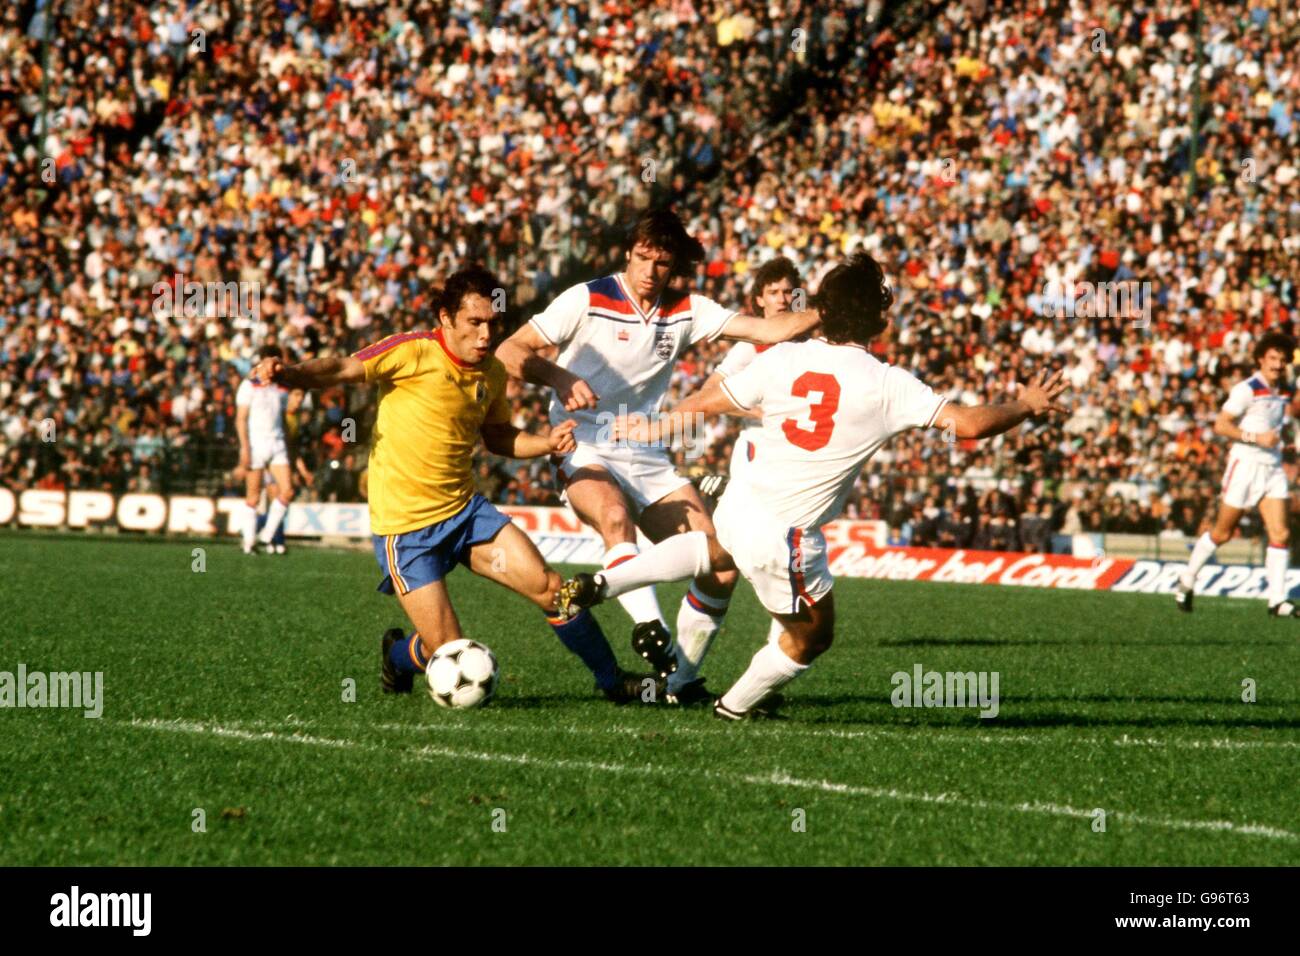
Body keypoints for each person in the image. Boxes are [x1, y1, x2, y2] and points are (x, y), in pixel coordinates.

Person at [558, 253, 1067, 720]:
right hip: (786, 535)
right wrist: (1025, 405)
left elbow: (713, 399)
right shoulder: (886, 382)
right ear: (876, 318)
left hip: (739, 504)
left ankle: (609, 584)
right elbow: (970, 424)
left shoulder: (779, 358)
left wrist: (656, 426)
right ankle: (734, 706)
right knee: (812, 637)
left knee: (716, 553)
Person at [252, 266, 652, 702]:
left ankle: (613, 682)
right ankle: (398, 656)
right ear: (446, 319)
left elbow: (498, 436)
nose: (485, 335)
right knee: (445, 650)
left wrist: (545, 443)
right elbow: (342, 368)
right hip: (406, 529)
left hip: (465, 514)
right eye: (474, 323)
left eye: (492, 324)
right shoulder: (414, 352)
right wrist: (290, 373)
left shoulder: (492, 372)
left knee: (552, 590)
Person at [496, 209, 820, 704]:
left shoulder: (688, 309)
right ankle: (653, 632)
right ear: (629, 252)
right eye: (643, 258)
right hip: (583, 439)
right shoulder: (586, 298)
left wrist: (833, 309)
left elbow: (768, 331)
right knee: (613, 516)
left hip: (645, 449)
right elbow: (509, 351)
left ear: (674, 267)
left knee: (720, 563)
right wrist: (558, 377)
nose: (650, 271)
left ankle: (679, 681)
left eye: (662, 263)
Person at [1176, 331, 1300, 616]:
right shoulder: (1247, 389)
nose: (1278, 365)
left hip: (1272, 466)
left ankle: (1277, 600)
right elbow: (1221, 425)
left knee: (1281, 532)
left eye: (1282, 360)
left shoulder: (1285, 390)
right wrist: (1256, 439)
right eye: (1272, 358)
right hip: (1244, 466)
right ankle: (1188, 579)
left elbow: (1275, 425)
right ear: (1260, 359)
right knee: (1222, 533)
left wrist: (1287, 444)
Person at [236, 345, 298, 554]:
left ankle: (268, 535)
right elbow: (240, 419)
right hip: (256, 444)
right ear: (261, 362)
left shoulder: (281, 388)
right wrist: (244, 448)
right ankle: (249, 542)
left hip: (277, 443)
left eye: (279, 362)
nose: (276, 367)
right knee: (253, 496)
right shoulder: (248, 386)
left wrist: (288, 447)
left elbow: (281, 418)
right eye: (273, 361)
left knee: (288, 491)